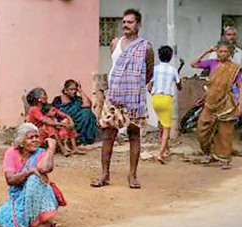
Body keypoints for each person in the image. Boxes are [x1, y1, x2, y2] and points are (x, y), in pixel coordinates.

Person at [95, 8, 154, 189]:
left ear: (138, 25)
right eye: (124, 22)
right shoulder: (115, 43)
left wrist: (134, 88)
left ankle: (132, 176)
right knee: (108, 136)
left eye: (130, 22)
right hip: (114, 97)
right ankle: (104, 175)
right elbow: (114, 68)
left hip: (134, 99)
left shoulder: (146, 47)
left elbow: (149, 71)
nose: (126, 25)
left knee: (134, 135)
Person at [0, 123, 62, 227]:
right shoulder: (11, 153)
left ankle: (43, 223)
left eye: (37, 137)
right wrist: (29, 171)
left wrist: (51, 149)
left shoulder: (41, 153)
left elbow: (45, 168)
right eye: (30, 138)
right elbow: (10, 179)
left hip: (43, 196)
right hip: (19, 196)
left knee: (34, 179)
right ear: (21, 141)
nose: (35, 140)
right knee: (4, 217)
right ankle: (45, 223)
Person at [193, 42, 242, 169]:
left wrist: (240, 105)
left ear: (230, 53)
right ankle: (209, 152)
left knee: (225, 132)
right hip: (210, 102)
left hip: (226, 103)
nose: (223, 54)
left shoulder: (234, 68)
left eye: (226, 52)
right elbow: (194, 63)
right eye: (220, 51)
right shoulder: (212, 63)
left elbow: (240, 87)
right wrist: (207, 51)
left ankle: (224, 159)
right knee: (202, 129)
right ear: (217, 52)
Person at [150, 46, 182, 164]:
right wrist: (178, 82)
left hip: (155, 98)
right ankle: (160, 153)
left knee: (161, 124)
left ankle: (166, 148)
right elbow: (179, 86)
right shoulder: (173, 70)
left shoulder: (155, 69)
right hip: (166, 99)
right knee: (167, 128)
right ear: (171, 56)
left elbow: (150, 84)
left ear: (159, 56)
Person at [26, 88, 80, 157]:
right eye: (44, 95)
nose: (46, 97)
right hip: (37, 132)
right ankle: (62, 149)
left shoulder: (46, 107)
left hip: (46, 130)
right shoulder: (34, 109)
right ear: (39, 99)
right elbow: (46, 121)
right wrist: (62, 124)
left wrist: (70, 121)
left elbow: (62, 114)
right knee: (49, 127)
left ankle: (74, 148)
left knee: (67, 126)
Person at [52, 80, 99, 146]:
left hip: (77, 121)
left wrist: (80, 91)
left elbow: (87, 105)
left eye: (75, 90)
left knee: (87, 113)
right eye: (71, 89)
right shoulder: (58, 100)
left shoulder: (77, 99)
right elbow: (54, 112)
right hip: (65, 122)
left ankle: (83, 139)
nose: (74, 91)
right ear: (65, 90)